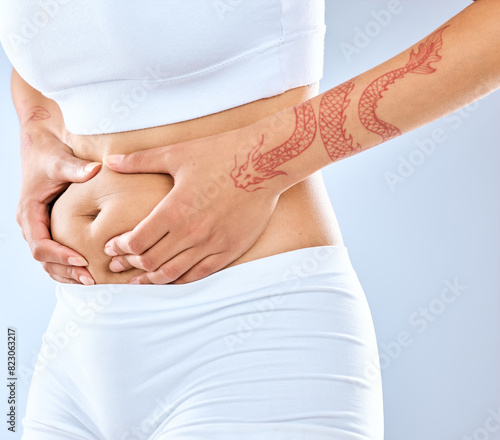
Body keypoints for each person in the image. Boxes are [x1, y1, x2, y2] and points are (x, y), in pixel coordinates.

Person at [1, 0, 498, 438]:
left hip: (253, 337)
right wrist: (36, 133)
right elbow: (50, 47)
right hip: (74, 354)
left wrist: (262, 163)